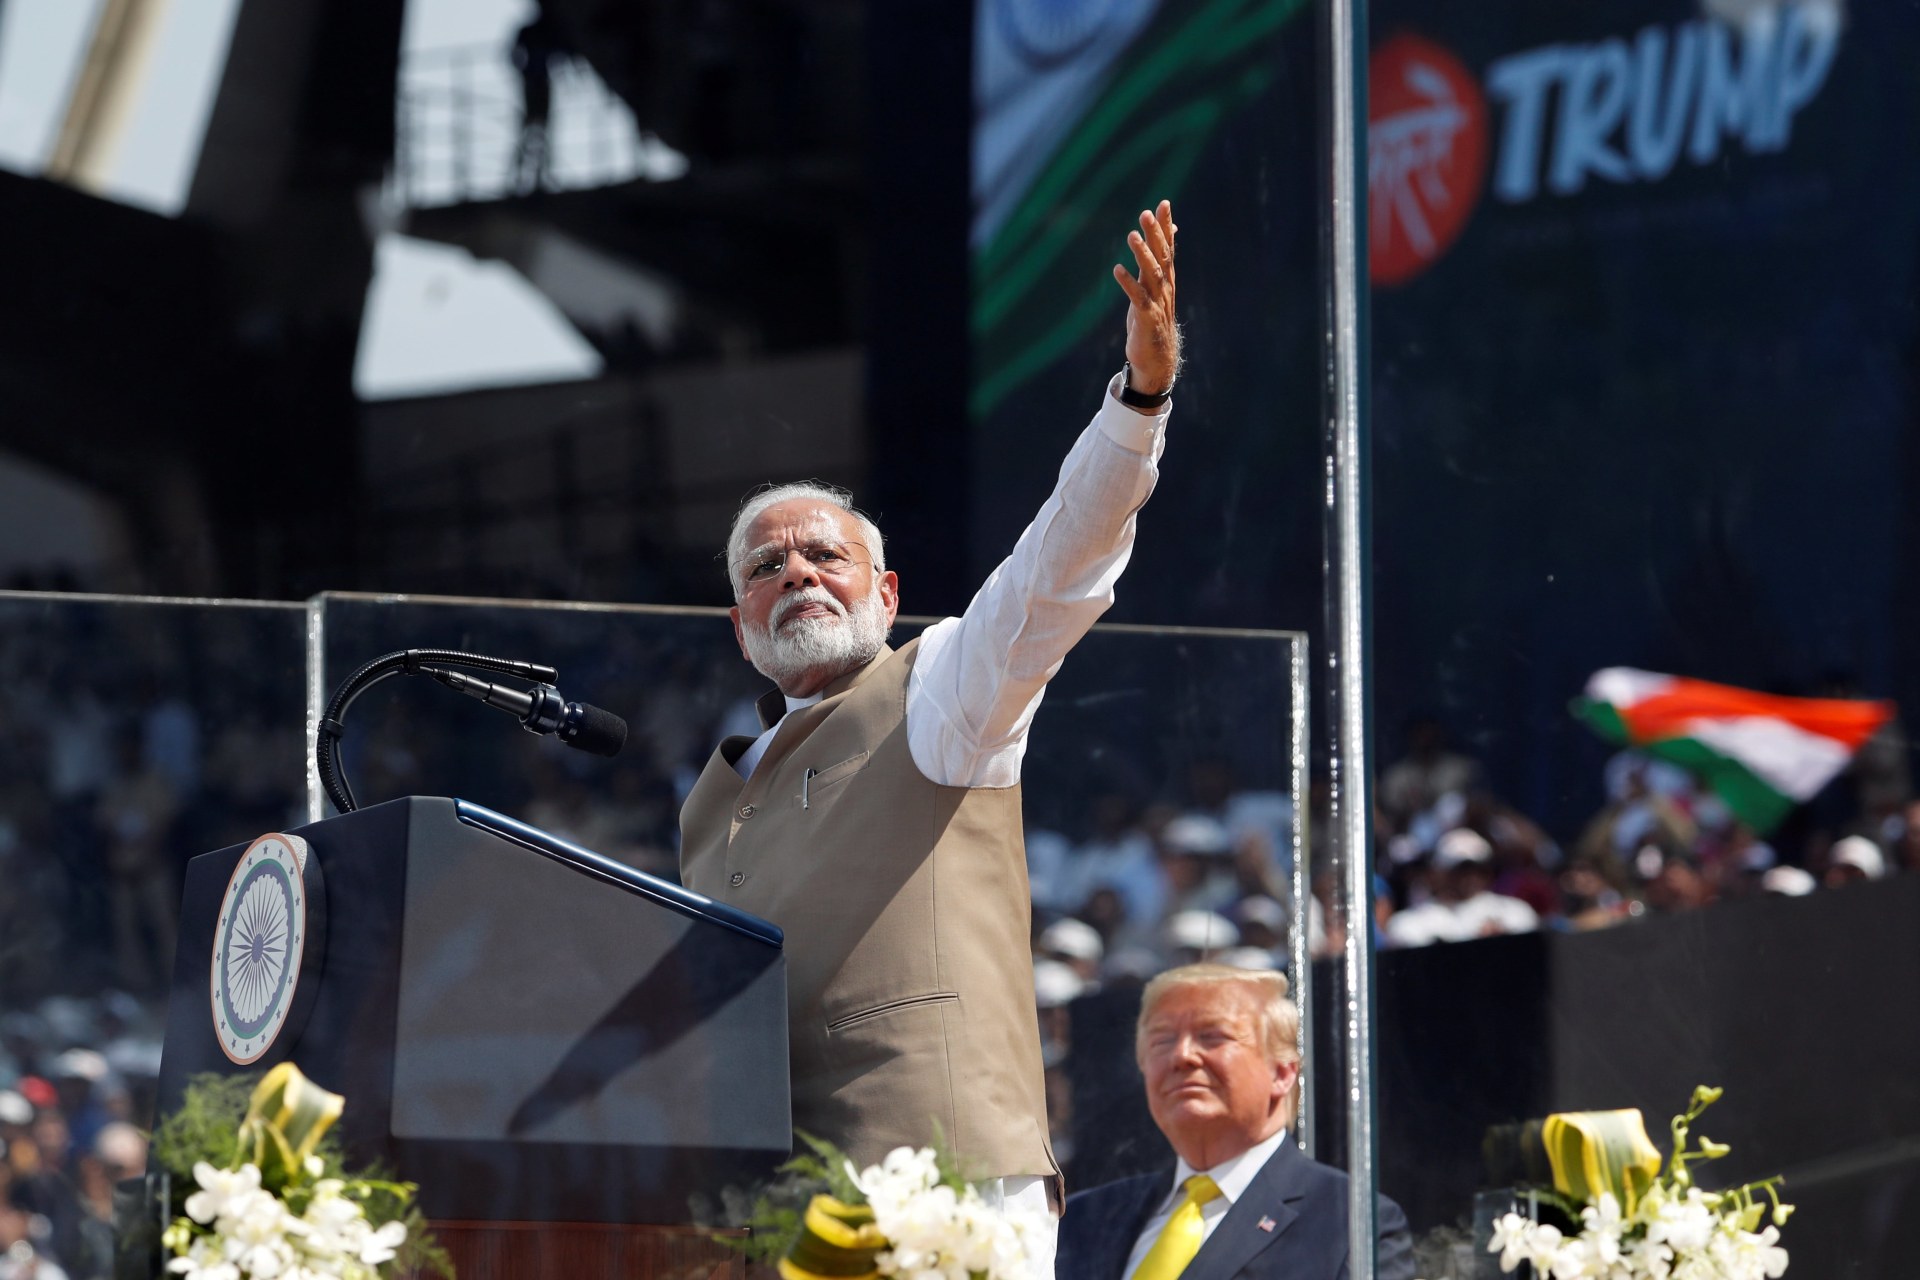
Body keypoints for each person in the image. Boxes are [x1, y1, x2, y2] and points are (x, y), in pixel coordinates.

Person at [678, 201, 1181, 1251]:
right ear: (740, 626)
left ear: (887, 589)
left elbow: (1056, 568)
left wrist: (1138, 401)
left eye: (825, 554)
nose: (797, 573)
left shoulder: (941, 689)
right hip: (770, 1212)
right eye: (765, 568)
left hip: (946, 1197)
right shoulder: (708, 801)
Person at [1057, 965, 1412, 1280]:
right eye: (1162, 1040)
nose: (1182, 1055)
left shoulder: (1349, 1224)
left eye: (1213, 1036)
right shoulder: (1083, 1219)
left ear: (1282, 1073)